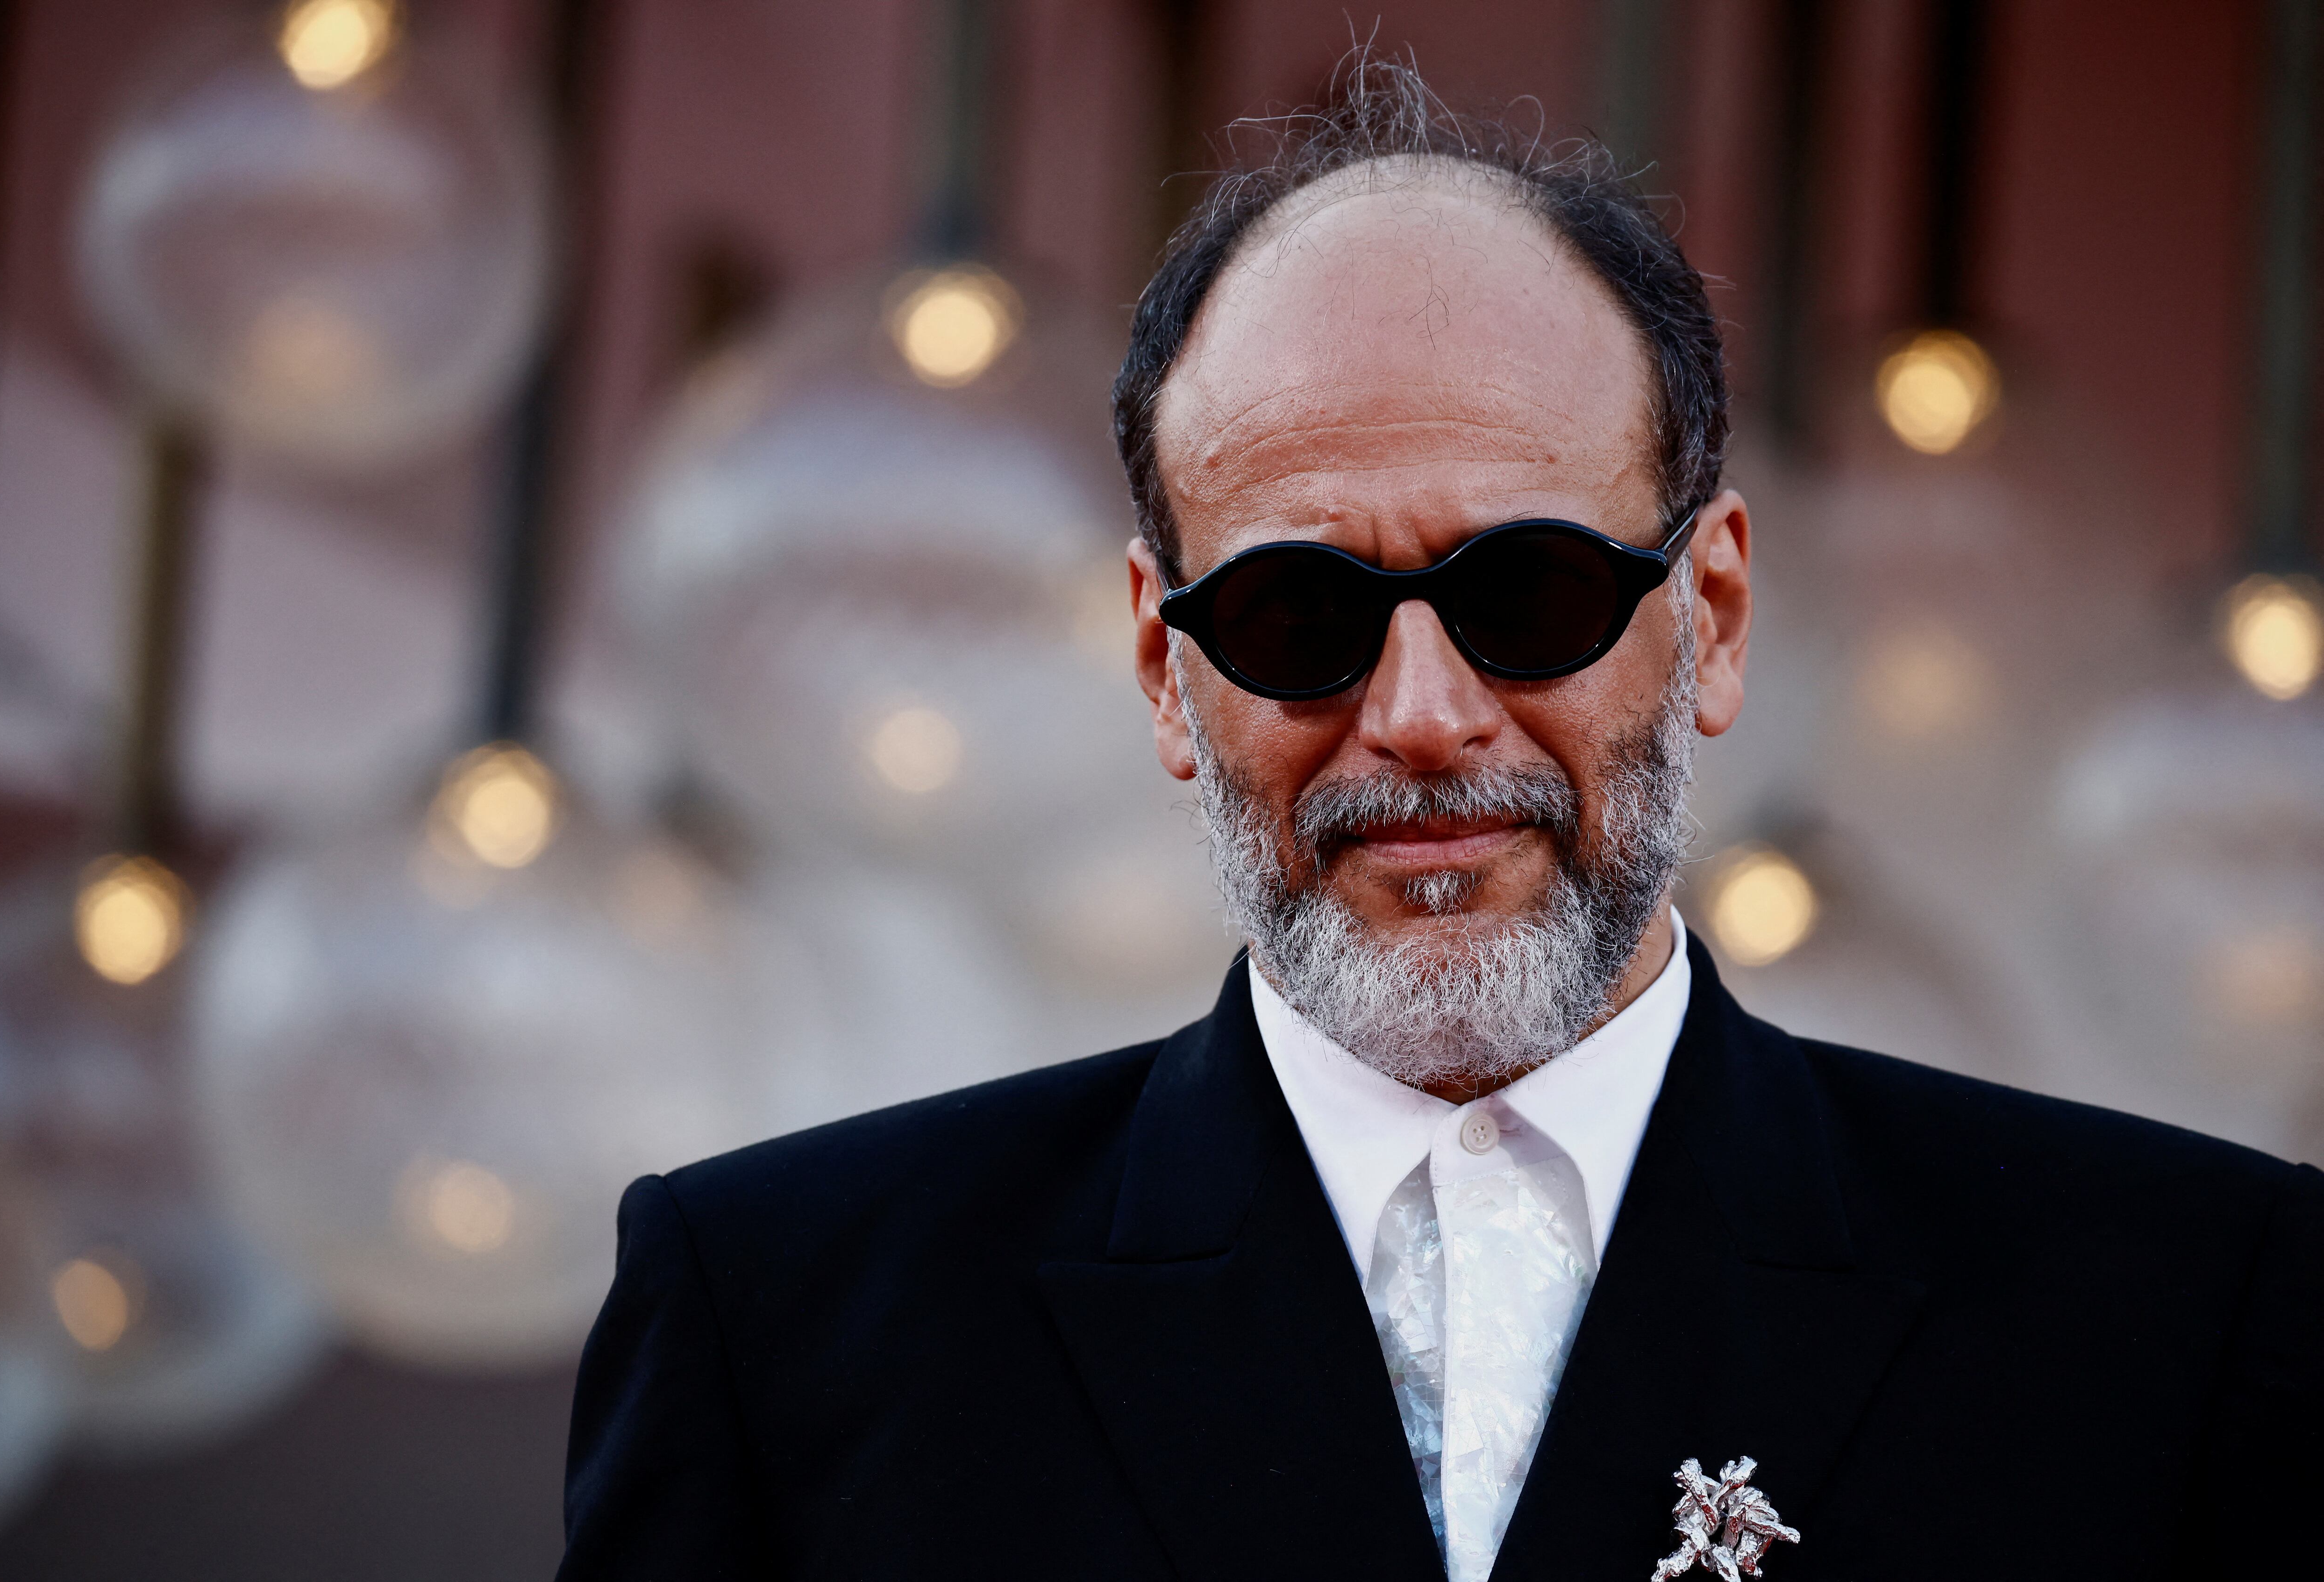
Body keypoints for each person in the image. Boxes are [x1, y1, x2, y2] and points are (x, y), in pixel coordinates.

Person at [556, 57, 2321, 1582]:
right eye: (1295, 612)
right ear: (1166, 671)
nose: (1418, 714)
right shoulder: (779, 1324)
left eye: (1530, 590)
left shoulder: (2181, 1317)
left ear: (1712, 617)